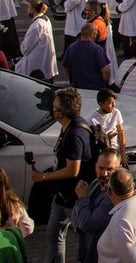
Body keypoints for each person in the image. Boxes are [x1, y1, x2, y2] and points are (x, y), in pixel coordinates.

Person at [29, 87, 94, 263]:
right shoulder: (68, 127)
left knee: (83, 240)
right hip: (62, 196)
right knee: (54, 234)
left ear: (62, 112)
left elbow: (73, 169)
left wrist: (44, 177)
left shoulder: (74, 134)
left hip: (74, 198)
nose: (52, 109)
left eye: (55, 106)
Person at [72, 149, 120, 263]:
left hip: (98, 254)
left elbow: (87, 224)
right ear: (95, 166)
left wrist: (83, 198)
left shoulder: (113, 196)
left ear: (118, 168)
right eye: (101, 168)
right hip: (85, 248)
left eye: (109, 169)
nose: (104, 173)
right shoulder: (95, 183)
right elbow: (75, 216)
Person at [61, 22, 111, 90]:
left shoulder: (71, 47)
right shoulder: (97, 49)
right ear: (92, 34)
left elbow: (65, 66)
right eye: (96, 33)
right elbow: (106, 71)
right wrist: (105, 82)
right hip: (95, 87)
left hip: (76, 86)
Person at [16, 0, 57, 80]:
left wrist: (22, 48)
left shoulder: (36, 25)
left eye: (28, 8)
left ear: (33, 10)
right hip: (44, 58)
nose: (27, 11)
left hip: (37, 61)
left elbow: (26, 48)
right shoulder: (45, 18)